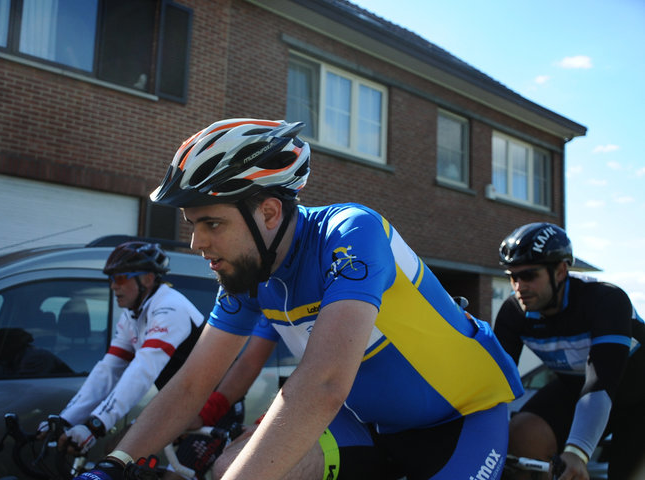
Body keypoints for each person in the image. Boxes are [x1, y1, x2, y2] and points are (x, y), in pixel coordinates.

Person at [75, 118, 524, 480]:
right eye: (193, 225)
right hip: (365, 426)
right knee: (230, 466)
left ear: (269, 212)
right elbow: (193, 383)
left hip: (458, 420)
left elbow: (324, 383)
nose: (197, 243)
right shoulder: (250, 272)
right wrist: (113, 464)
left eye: (211, 224)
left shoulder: (351, 234)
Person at [38, 242, 212, 469]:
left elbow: (143, 369)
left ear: (148, 279)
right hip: (180, 403)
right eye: (111, 279)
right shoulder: (132, 314)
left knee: (128, 458)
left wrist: (95, 426)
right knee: (116, 452)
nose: (113, 286)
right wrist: (66, 419)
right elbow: (109, 369)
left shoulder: (170, 308)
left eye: (120, 278)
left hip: (210, 408)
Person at [494, 223, 645, 479]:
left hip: (636, 395)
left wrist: (577, 451)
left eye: (529, 275)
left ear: (561, 271)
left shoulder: (605, 300)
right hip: (576, 388)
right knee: (523, 435)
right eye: (513, 276)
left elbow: (601, 381)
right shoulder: (514, 312)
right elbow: (494, 383)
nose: (519, 286)